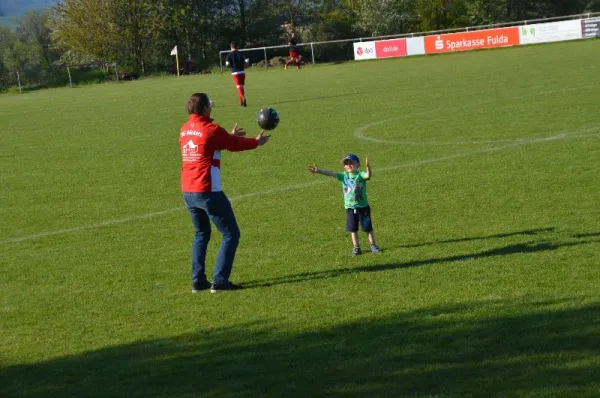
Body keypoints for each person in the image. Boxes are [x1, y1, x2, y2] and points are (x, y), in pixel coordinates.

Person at [180, 93, 270, 293]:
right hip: (207, 190)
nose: (211, 108)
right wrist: (256, 142)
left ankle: (198, 282)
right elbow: (232, 145)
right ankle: (219, 282)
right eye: (209, 105)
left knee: (201, 234)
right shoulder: (210, 129)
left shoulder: (185, 129)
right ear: (203, 109)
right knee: (231, 234)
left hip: (187, 190)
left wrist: (229, 137)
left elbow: (214, 144)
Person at [308, 153, 382, 256]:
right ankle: (356, 247)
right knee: (353, 229)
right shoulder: (344, 176)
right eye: (346, 164)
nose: (348, 165)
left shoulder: (360, 175)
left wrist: (368, 167)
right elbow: (331, 173)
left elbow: (368, 175)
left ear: (357, 164)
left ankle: (373, 245)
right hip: (350, 208)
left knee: (367, 228)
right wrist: (319, 171)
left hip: (362, 207)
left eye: (351, 163)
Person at [225, 41, 249, 106]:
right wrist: (246, 65)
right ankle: (241, 102)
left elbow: (227, 64)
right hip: (242, 72)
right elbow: (247, 60)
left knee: (238, 87)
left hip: (235, 72)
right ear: (236, 47)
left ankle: (243, 98)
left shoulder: (229, 55)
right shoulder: (240, 53)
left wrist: (231, 67)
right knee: (242, 87)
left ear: (231, 47)